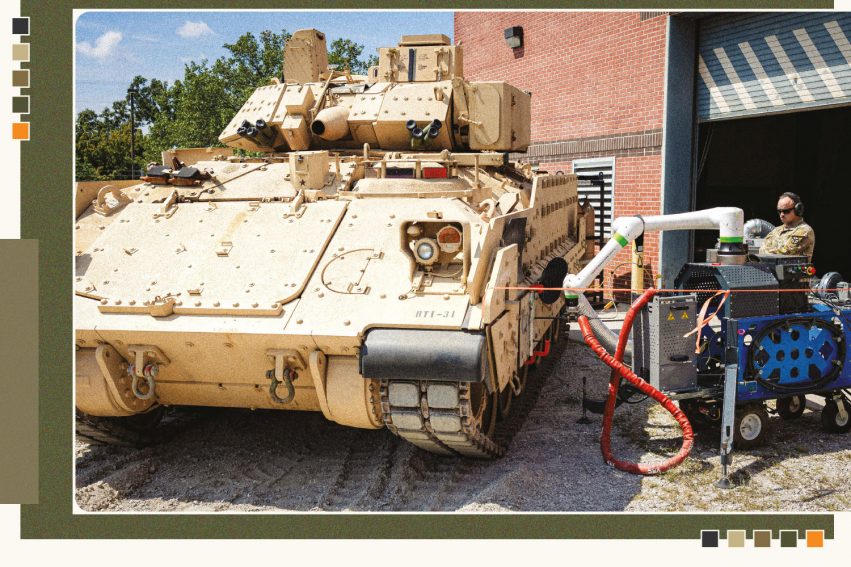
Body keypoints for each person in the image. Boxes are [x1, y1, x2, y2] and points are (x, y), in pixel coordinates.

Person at [759, 192, 815, 260]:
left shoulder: (804, 230)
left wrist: (767, 252)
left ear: (797, 210)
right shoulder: (777, 230)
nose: (781, 215)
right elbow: (761, 249)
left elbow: (785, 253)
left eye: (786, 211)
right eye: (779, 211)